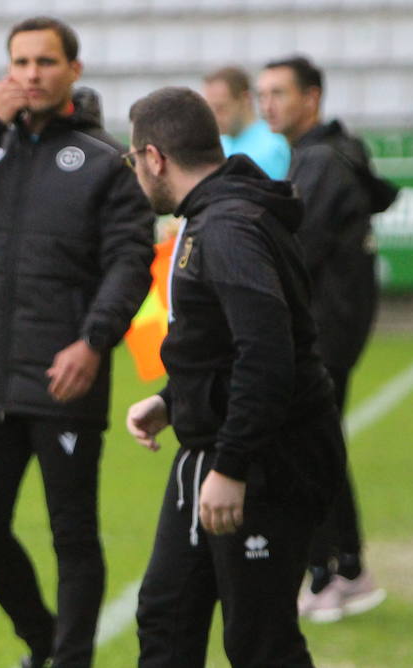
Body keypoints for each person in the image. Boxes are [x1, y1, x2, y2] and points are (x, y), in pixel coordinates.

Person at [0, 16, 156, 668]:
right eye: (20, 62)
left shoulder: (106, 161)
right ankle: (43, 644)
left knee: (72, 536)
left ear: (74, 69)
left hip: (62, 376)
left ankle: (69, 661)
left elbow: (131, 264)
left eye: (45, 62)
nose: (31, 74)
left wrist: (93, 343)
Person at [123, 86, 345, 668]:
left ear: (154, 157)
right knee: (166, 619)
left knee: (260, 642)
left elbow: (268, 355)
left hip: (266, 461)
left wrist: (232, 465)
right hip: (211, 450)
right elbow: (225, 345)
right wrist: (175, 400)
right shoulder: (215, 217)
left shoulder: (226, 227)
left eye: (132, 161)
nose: (135, 174)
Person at [257, 55, 398, 623]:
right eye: (262, 93)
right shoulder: (335, 153)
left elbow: (296, 251)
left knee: (308, 450)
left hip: (321, 334)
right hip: (336, 330)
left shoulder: (319, 160)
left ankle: (327, 571)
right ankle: (347, 571)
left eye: (279, 93)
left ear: (311, 98)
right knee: (319, 446)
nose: (268, 103)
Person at [201, 65, 289, 180]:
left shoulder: (274, 145)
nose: (214, 117)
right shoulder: (218, 145)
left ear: (245, 99)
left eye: (221, 108)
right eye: (210, 109)